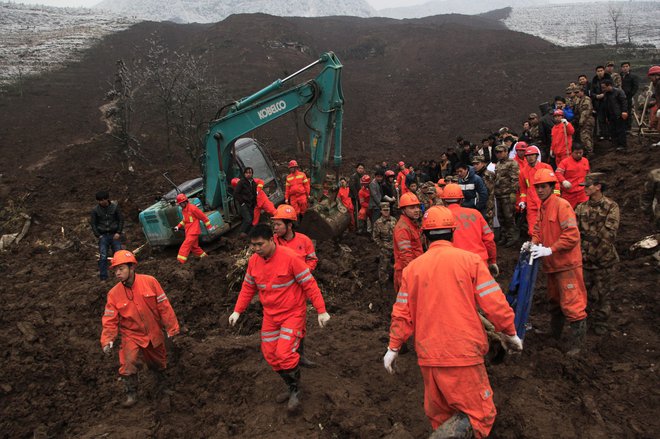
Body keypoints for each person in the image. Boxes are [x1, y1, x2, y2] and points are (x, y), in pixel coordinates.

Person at [384, 206, 522, 438]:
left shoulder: (412, 270)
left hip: (429, 356)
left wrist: (393, 347)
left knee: (441, 417)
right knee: (481, 414)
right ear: (453, 233)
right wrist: (510, 332)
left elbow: (401, 313)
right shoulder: (470, 261)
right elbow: (495, 303)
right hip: (463, 353)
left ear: (425, 236)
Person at [229, 225, 330, 412]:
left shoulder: (291, 258)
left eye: (260, 244)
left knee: (284, 353)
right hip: (270, 314)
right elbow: (248, 287)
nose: (256, 249)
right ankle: (290, 386)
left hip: (292, 313)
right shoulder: (254, 262)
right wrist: (237, 310)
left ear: (271, 240)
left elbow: (309, 284)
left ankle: (296, 391)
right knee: (270, 354)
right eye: (253, 245)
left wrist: (321, 310)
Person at [101, 251, 180, 407]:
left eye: (121, 269)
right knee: (128, 362)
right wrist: (107, 340)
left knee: (158, 362)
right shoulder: (114, 294)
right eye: (115, 270)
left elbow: (164, 307)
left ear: (132, 267)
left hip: (153, 331)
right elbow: (109, 319)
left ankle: (162, 387)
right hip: (131, 334)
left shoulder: (150, 282)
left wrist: (172, 328)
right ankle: (131, 394)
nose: (117, 273)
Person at [527, 168, 588, 355]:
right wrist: (532, 244)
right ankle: (555, 335)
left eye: (543, 186)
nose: (539, 190)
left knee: (572, 303)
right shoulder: (543, 207)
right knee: (554, 301)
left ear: (552, 186)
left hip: (566, 264)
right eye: (537, 187)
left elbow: (572, 235)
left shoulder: (562, 205)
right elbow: (538, 230)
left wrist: (550, 249)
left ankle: (578, 345)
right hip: (552, 265)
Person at [575, 173, 619, 335]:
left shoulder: (611, 207)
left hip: (603, 260)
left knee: (603, 294)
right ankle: (581, 321)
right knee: (582, 293)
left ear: (598, 186)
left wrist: (590, 253)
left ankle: (601, 321)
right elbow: (574, 233)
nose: (585, 189)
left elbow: (609, 234)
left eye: (588, 186)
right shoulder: (581, 208)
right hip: (584, 260)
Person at [441, 184, 498, 276]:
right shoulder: (475, 214)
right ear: (462, 199)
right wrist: (492, 261)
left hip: (454, 267)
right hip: (478, 262)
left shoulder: (439, 217)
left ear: (443, 200)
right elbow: (489, 240)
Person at [519, 145, 558, 238]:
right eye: (528, 156)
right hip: (531, 203)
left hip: (546, 201)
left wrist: (555, 197)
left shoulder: (546, 167)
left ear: (537, 156)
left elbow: (555, 184)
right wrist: (522, 201)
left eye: (532, 155)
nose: (530, 157)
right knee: (533, 228)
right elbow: (523, 188)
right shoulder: (523, 172)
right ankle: (536, 246)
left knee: (549, 225)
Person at [272, 204, 318, 271]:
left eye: (278, 224)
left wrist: (303, 272)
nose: (275, 228)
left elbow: (312, 260)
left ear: (289, 226)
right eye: (274, 224)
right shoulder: (272, 241)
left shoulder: (304, 240)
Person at [91, 190, 124, 281]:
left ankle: (122, 274)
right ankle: (103, 277)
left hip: (114, 235)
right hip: (103, 236)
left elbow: (120, 219)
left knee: (119, 255)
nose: (103, 201)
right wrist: (98, 235)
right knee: (103, 256)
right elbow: (93, 223)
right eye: (100, 200)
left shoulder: (115, 207)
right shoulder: (95, 210)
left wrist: (118, 232)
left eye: (104, 199)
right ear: (98, 201)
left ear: (107, 198)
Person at [393, 192, 423, 292]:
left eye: (417, 207)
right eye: (412, 208)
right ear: (403, 210)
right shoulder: (403, 228)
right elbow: (406, 255)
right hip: (408, 272)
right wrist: (415, 275)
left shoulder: (411, 224)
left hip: (415, 268)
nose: (417, 210)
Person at [173, 193, 213, 264]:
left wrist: (209, 226)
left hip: (193, 232)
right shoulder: (184, 210)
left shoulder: (193, 208)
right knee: (194, 248)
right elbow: (185, 220)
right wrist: (178, 226)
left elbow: (203, 217)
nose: (180, 205)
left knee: (186, 244)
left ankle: (180, 261)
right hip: (188, 232)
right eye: (179, 204)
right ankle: (206, 258)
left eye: (181, 204)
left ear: (185, 202)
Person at [494, 144, 520, 247]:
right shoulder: (498, 164)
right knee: (501, 217)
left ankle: (512, 237)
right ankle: (504, 236)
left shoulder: (512, 163)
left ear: (506, 152)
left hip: (507, 195)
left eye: (501, 152)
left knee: (509, 217)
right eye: (497, 152)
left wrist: (513, 193)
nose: (499, 154)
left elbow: (515, 179)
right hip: (499, 194)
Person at [556, 144, 590, 209]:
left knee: (585, 211)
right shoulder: (564, 162)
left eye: (580, 153)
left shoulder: (585, 161)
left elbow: (588, 174)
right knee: (567, 212)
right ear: (571, 152)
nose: (578, 155)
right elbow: (558, 173)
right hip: (569, 194)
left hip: (582, 193)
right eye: (576, 153)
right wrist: (563, 181)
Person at [372, 202, 397, 287]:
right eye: (384, 210)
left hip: (395, 247)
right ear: (381, 211)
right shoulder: (378, 223)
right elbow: (375, 237)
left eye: (388, 210)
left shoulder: (394, 220)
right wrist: (382, 246)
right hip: (385, 248)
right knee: (384, 267)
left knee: (397, 265)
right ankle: (383, 283)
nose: (386, 212)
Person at [601, 78, 628, 151]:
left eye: (604, 87)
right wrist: (606, 116)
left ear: (609, 85)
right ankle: (615, 145)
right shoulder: (606, 94)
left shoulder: (618, 92)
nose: (603, 89)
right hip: (610, 115)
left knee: (620, 130)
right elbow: (606, 105)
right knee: (612, 131)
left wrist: (624, 111)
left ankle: (622, 145)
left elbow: (624, 102)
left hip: (619, 114)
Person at [472, 155, 496, 228]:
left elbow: (491, 192)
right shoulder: (474, 175)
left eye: (477, 164)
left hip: (487, 204)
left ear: (483, 163)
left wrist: (490, 208)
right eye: (473, 164)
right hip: (477, 203)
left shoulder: (488, 174)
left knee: (487, 226)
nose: (475, 166)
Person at [234, 167, 257, 238]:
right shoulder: (241, 182)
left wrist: (255, 202)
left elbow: (254, 193)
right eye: (246, 173)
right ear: (244, 174)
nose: (248, 174)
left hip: (251, 204)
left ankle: (248, 234)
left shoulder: (253, 182)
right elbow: (236, 193)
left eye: (250, 173)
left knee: (252, 218)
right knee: (248, 219)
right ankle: (241, 233)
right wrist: (242, 203)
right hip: (244, 204)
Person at [590, 65, 612, 139]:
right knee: (601, 119)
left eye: (601, 71)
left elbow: (611, 89)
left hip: (608, 101)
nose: (600, 72)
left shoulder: (608, 78)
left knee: (609, 118)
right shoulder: (594, 80)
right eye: (598, 71)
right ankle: (602, 133)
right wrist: (596, 96)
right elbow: (592, 92)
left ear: (604, 71)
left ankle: (610, 134)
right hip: (598, 103)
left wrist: (604, 94)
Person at [574, 86, 595, 154]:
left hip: (587, 120)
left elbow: (585, 112)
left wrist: (581, 122)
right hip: (583, 120)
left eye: (577, 92)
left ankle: (589, 151)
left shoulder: (586, 99)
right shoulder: (579, 100)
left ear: (582, 91)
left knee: (585, 136)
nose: (576, 94)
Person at [620, 62, 640, 132]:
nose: (625, 68)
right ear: (621, 68)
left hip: (628, 98)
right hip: (619, 98)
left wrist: (630, 95)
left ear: (629, 67)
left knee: (627, 111)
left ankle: (628, 128)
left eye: (626, 66)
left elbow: (635, 87)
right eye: (623, 67)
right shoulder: (619, 76)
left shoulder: (633, 76)